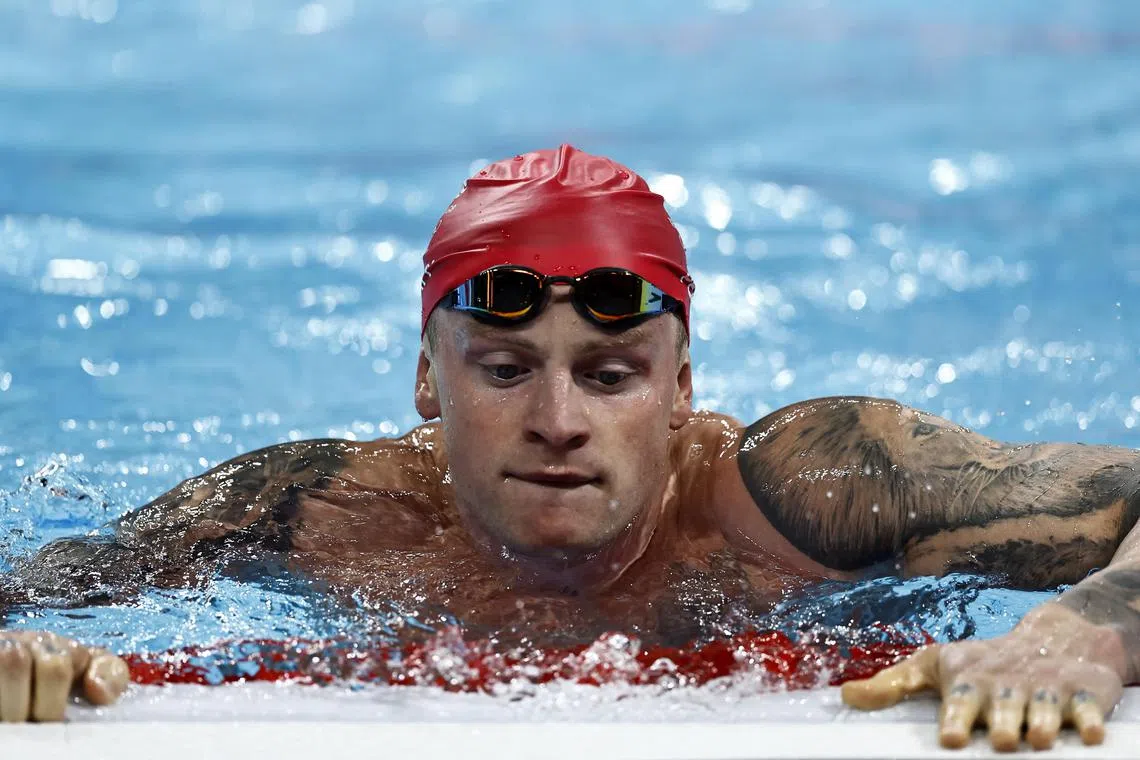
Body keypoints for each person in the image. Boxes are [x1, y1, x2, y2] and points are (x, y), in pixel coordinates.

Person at [1, 145, 1137, 751]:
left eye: (610, 373)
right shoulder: (319, 508)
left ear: (681, 387)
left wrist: (1085, 628)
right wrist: (27, 654)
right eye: (503, 369)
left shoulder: (809, 488)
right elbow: (34, 588)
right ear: (423, 381)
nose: (557, 417)